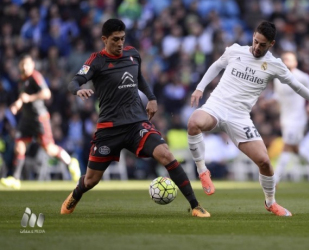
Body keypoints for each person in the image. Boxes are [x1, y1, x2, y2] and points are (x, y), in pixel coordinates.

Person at [187, 21, 309, 216]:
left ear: (272, 44)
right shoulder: (235, 51)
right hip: (216, 107)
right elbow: (216, 65)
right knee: (193, 122)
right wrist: (200, 87)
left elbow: (298, 86)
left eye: (262, 44)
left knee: (265, 163)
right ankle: (202, 171)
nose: (257, 47)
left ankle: (271, 203)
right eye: (256, 41)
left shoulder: (275, 65)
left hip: (240, 117)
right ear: (253, 36)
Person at [61, 19, 210, 217]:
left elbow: (139, 78)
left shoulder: (132, 54)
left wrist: (152, 98)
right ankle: (76, 194)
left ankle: (195, 206)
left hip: (136, 124)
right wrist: (78, 90)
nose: (120, 43)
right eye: (115, 39)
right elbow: (74, 81)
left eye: (122, 38)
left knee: (166, 154)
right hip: (109, 128)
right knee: (91, 180)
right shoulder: (96, 61)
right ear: (104, 39)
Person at [0, 55, 81, 190]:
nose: (24, 67)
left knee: (49, 148)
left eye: (27, 64)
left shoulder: (35, 77)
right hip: (26, 119)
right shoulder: (22, 80)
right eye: (22, 65)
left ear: (32, 65)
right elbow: (23, 97)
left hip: (39, 118)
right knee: (19, 145)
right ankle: (15, 178)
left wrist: (29, 98)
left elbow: (46, 93)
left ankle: (70, 162)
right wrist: (17, 105)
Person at [260, 51, 309, 185]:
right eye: (284, 59)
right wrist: (268, 102)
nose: (286, 61)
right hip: (285, 118)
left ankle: (275, 178)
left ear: (295, 62)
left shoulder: (302, 77)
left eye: (289, 59)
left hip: (298, 119)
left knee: (287, 146)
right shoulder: (279, 79)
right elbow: (278, 96)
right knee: (295, 148)